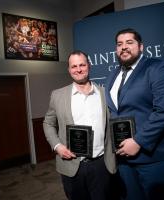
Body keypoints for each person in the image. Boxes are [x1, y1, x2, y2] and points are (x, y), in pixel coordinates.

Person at [105, 28, 164, 200]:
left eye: (129, 42)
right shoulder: (113, 75)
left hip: (153, 160)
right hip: (123, 160)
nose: (124, 47)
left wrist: (139, 141)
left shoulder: (156, 68)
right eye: (119, 44)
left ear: (141, 46)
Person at [43, 50, 116, 200]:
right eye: (74, 66)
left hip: (101, 164)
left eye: (82, 65)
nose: (78, 69)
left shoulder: (104, 93)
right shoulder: (57, 95)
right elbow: (48, 123)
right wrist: (57, 146)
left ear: (89, 66)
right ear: (69, 69)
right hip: (71, 165)